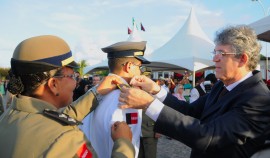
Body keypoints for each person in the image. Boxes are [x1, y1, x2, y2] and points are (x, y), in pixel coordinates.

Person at [118, 25, 270, 158]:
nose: (215, 59)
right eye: (214, 52)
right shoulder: (221, 86)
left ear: (243, 59)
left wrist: (148, 104)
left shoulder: (258, 98)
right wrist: (156, 90)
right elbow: (189, 110)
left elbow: (208, 135)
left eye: (221, 54)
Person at [0, 35, 135, 158]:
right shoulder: (66, 139)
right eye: (72, 76)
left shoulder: (9, 116)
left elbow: (58, 116)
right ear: (54, 84)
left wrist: (97, 92)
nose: (76, 82)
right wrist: (123, 142)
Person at [81, 41, 150, 158]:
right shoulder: (127, 98)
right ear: (129, 66)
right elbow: (128, 145)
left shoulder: (94, 91)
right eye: (140, 67)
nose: (141, 71)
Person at [138, 67, 161, 158]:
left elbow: (160, 111)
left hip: (150, 129)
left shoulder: (155, 92)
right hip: (137, 129)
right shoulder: (134, 90)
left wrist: (159, 129)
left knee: (150, 155)